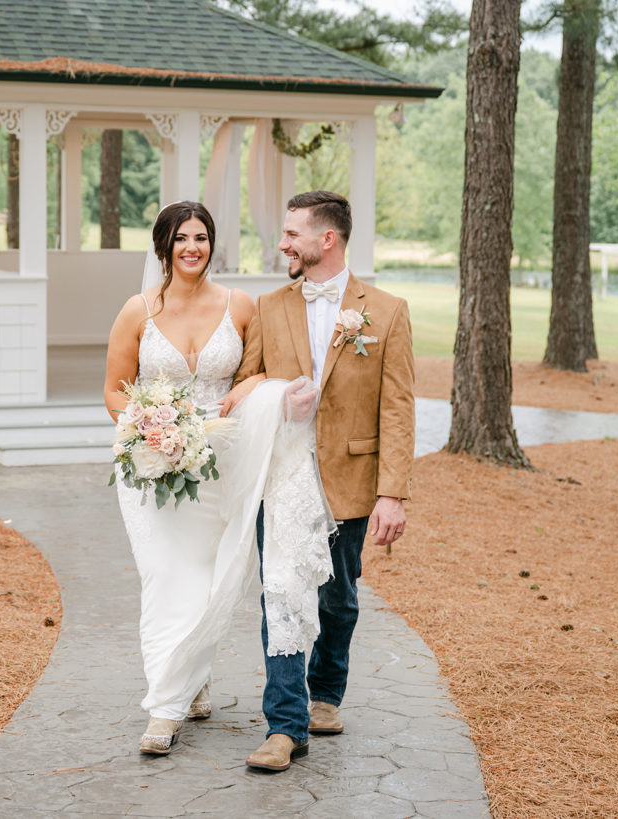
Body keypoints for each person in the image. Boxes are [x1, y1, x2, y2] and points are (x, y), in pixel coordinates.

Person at [106, 202, 335, 757]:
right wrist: (153, 429)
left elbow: (258, 367)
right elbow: (115, 390)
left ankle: (194, 676)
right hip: (152, 466)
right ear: (163, 245)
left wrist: (248, 388)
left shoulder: (240, 305)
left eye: (202, 237)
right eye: (181, 238)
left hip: (219, 464)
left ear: (213, 243)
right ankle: (164, 710)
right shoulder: (137, 311)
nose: (193, 247)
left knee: (208, 579)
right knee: (165, 577)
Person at [233, 190, 415, 772]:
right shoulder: (267, 306)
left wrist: (392, 492)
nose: (282, 243)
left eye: (292, 234)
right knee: (281, 596)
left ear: (326, 239)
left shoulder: (385, 311)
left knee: (337, 597)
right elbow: (245, 382)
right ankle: (284, 726)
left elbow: (400, 408)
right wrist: (274, 395)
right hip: (283, 477)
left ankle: (327, 692)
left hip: (352, 477)